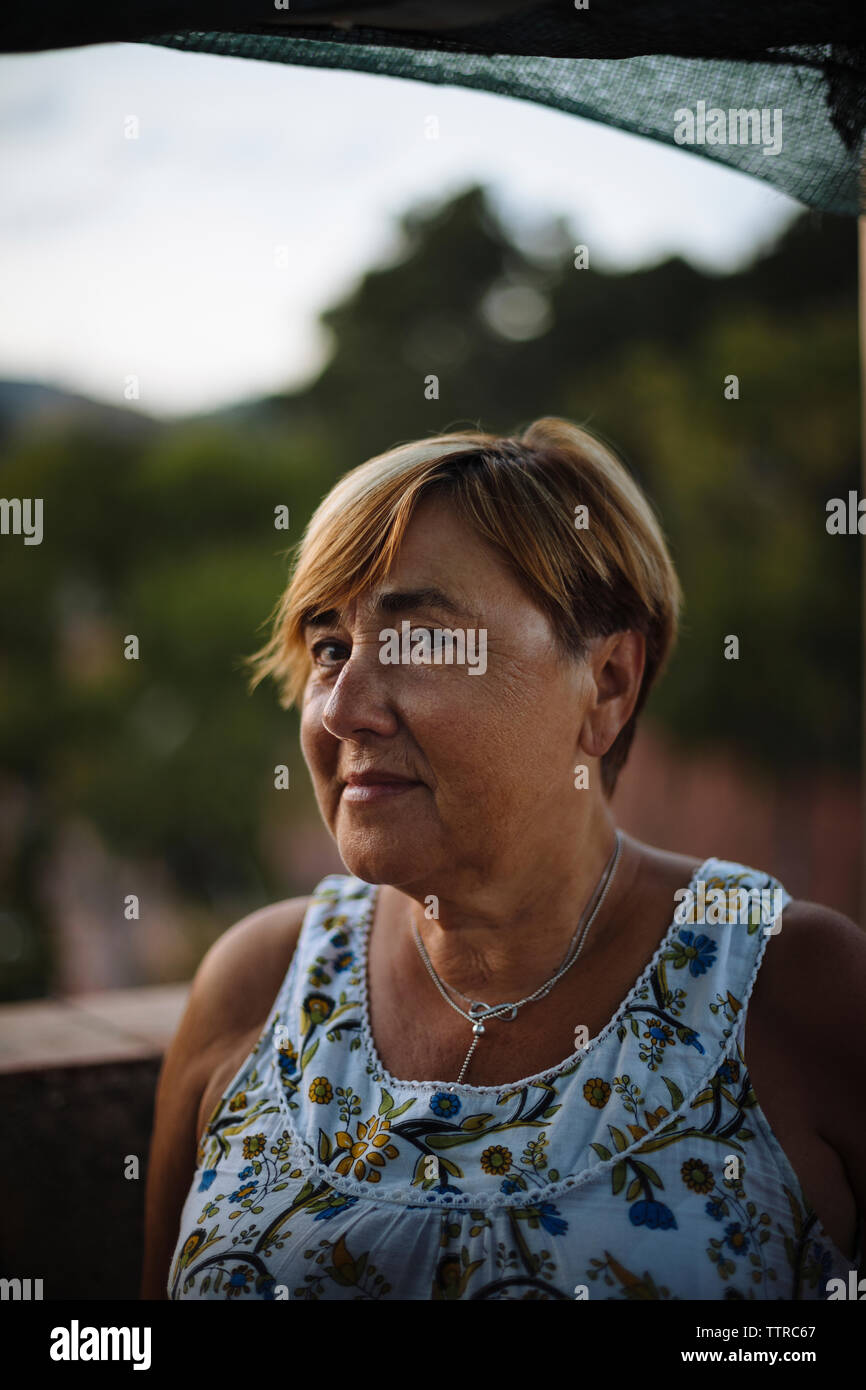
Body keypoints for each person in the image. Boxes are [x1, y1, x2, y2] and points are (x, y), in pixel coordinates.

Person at [141, 417, 865, 1301]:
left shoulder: (791, 986)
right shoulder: (258, 984)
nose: (343, 709)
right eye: (331, 648)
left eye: (422, 642)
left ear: (607, 685)